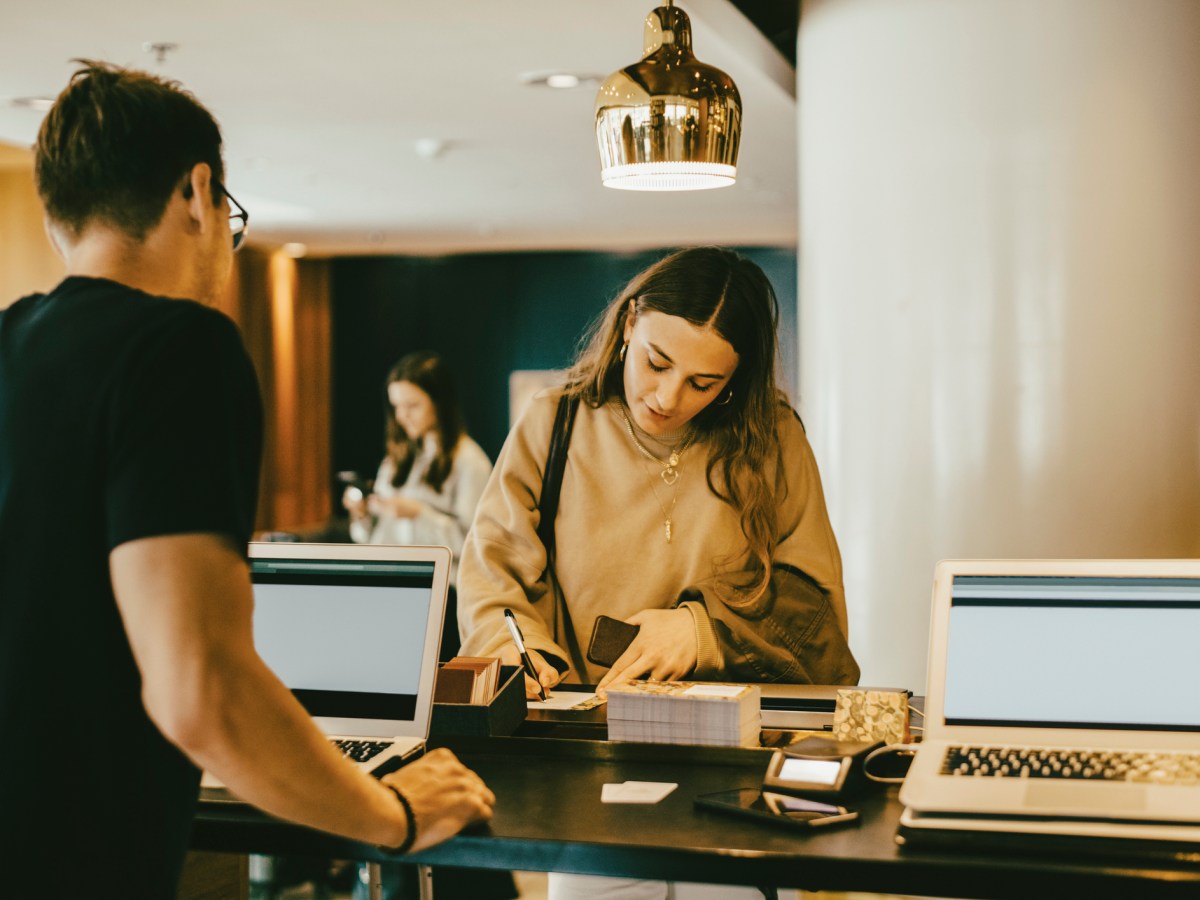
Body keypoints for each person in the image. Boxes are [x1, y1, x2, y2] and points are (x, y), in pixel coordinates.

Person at [0, 61, 493, 899]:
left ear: (57, 218)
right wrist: (390, 814)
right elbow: (201, 688)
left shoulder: (9, 343)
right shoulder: (181, 348)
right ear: (198, 193)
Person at [457, 246, 857, 899]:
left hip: (738, 772)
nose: (668, 398)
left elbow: (813, 607)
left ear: (737, 379)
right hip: (591, 764)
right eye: (657, 362)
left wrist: (702, 631)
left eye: (704, 384)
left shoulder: (774, 436)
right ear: (627, 324)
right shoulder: (553, 421)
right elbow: (494, 572)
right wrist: (516, 653)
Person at [344, 351, 492, 660]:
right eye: (396, 406)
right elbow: (372, 539)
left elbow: (476, 545)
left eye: (412, 405)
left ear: (439, 403)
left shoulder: (469, 462)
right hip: (390, 587)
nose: (402, 416)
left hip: (440, 595)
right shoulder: (398, 459)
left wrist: (418, 513)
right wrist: (362, 517)